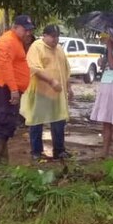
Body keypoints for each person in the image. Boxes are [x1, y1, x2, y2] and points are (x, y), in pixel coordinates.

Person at [0, 14, 34, 165]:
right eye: (25, 30)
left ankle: (1, 161)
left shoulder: (16, 41)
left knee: (6, 123)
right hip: (3, 88)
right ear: (15, 27)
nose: (28, 33)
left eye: (29, 30)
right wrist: (14, 90)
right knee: (4, 123)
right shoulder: (7, 41)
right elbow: (5, 67)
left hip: (8, 88)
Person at [22, 24, 73, 162]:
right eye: (52, 36)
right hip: (40, 92)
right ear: (44, 35)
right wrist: (51, 81)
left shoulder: (60, 49)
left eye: (57, 36)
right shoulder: (36, 47)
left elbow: (66, 70)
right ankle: (37, 151)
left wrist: (68, 87)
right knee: (37, 122)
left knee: (58, 121)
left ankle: (59, 150)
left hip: (57, 93)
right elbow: (34, 68)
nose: (55, 40)